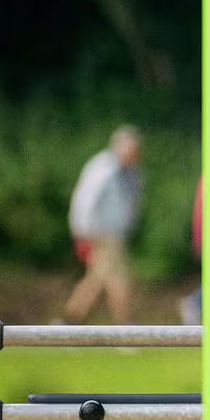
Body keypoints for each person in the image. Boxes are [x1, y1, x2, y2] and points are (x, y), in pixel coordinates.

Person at [64, 125, 145, 324]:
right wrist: (82, 234)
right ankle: (125, 328)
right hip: (100, 235)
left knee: (97, 280)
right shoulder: (103, 168)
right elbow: (85, 200)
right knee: (120, 280)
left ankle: (68, 323)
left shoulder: (133, 172)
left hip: (116, 236)